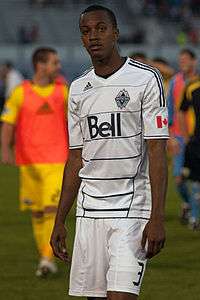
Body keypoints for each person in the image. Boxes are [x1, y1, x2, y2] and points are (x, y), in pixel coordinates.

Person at [50, 5, 168, 300]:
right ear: (81, 39)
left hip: (132, 208)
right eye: (86, 31)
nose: (94, 36)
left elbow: (157, 150)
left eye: (101, 29)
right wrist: (59, 219)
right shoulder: (78, 89)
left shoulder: (146, 79)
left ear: (116, 33)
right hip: (89, 212)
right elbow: (75, 158)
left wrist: (157, 217)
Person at [0, 47, 69, 276]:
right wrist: (5, 150)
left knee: (51, 209)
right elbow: (8, 123)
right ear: (40, 65)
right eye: (54, 62)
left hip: (58, 160)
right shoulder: (21, 92)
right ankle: (46, 257)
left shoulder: (63, 91)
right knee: (37, 213)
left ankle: (47, 259)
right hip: (29, 162)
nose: (58, 66)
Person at [167, 48, 198, 224]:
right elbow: (170, 111)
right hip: (179, 137)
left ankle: (194, 217)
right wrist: (170, 136)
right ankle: (187, 203)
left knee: (195, 178)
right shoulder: (175, 82)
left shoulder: (198, 82)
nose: (183, 63)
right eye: (181, 60)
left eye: (186, 59)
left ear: (194, 61)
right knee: (179, 179)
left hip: (196, 137)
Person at [179, 78, 200, 230]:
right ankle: (193, 216)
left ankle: (194, 218)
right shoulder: (192, 87)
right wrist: (185, 137)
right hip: (195, 143)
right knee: (188, 180)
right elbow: (181, 111)